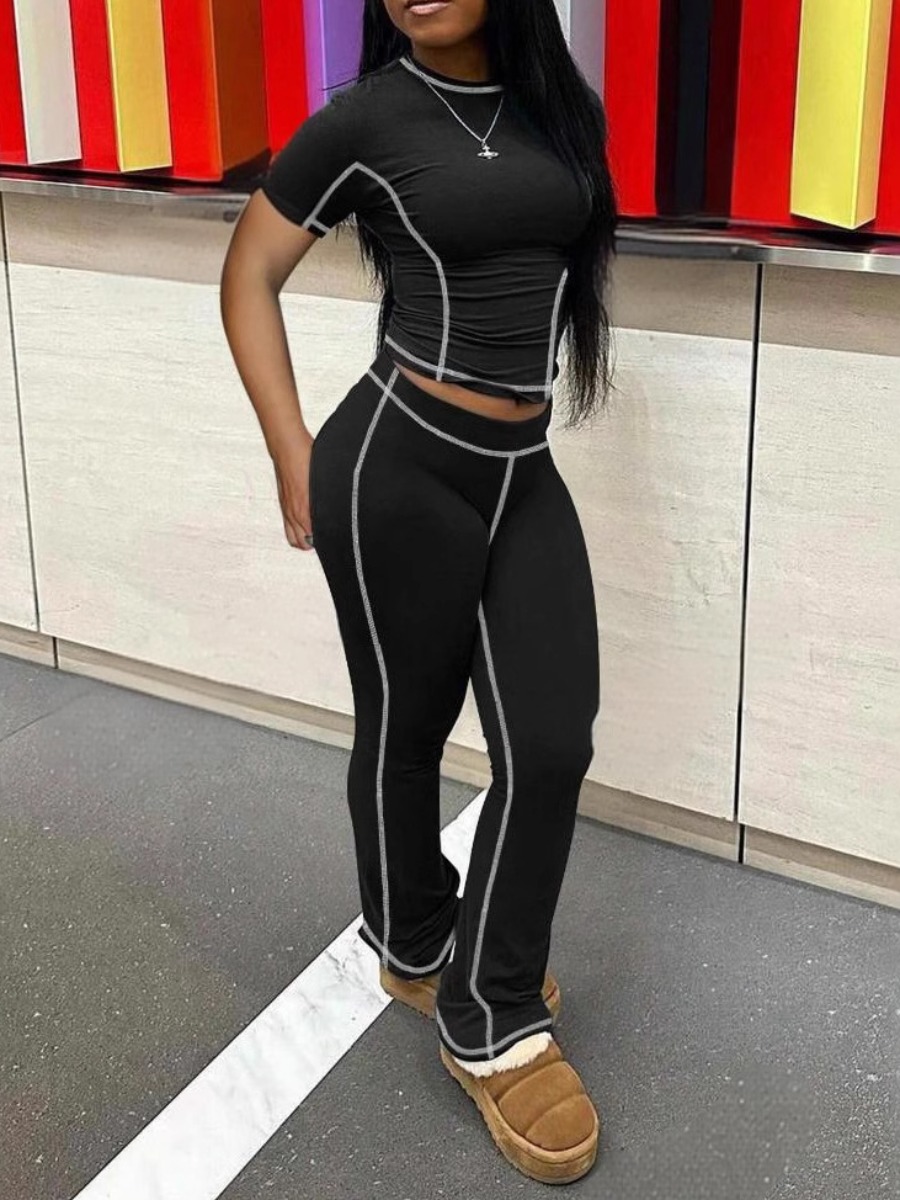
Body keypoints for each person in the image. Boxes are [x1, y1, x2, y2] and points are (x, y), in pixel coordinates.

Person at [220, 0, 617, 1184]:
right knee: (407, 723)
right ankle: (446, 972)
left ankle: (472, 979)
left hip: (522, 472)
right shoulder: (364, 119)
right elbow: (248, 273)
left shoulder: (557, 110)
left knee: (552, 742)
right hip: (398, 467)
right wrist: (292, 452)